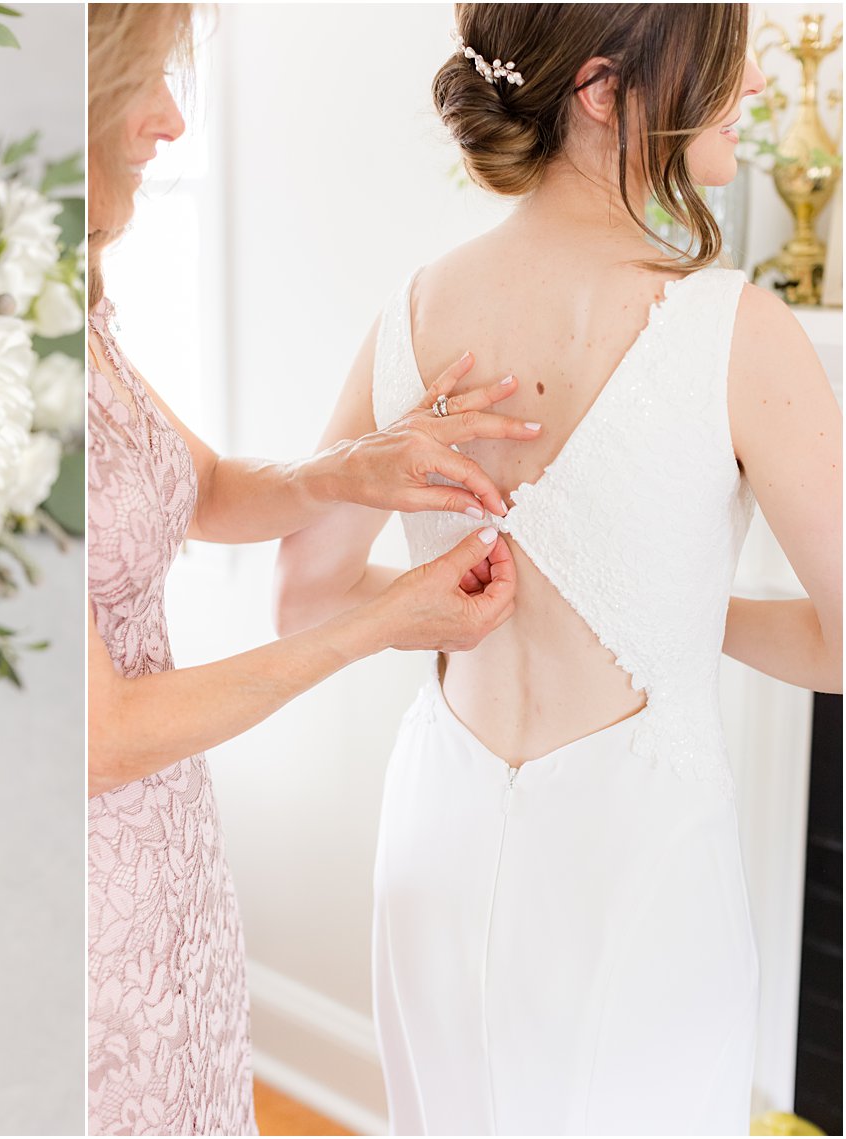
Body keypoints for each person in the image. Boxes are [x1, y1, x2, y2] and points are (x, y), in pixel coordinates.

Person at [276, 5, 842, 1133]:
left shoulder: (414, 311)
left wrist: (446, 599)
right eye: (719, 66)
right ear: (600, 91)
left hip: (436, 832)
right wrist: (682, 612)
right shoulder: (736, 330)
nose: (746, 92)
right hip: (635, 869)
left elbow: (303, 594)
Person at [85, 4, 546, 1133]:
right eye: (147, 81)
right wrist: (378, 619)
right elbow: (96, 738)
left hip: (164, 854)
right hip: (85, 879)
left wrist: (351, 467)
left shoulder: (74, 310)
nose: (172, 121)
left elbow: (192, 485)